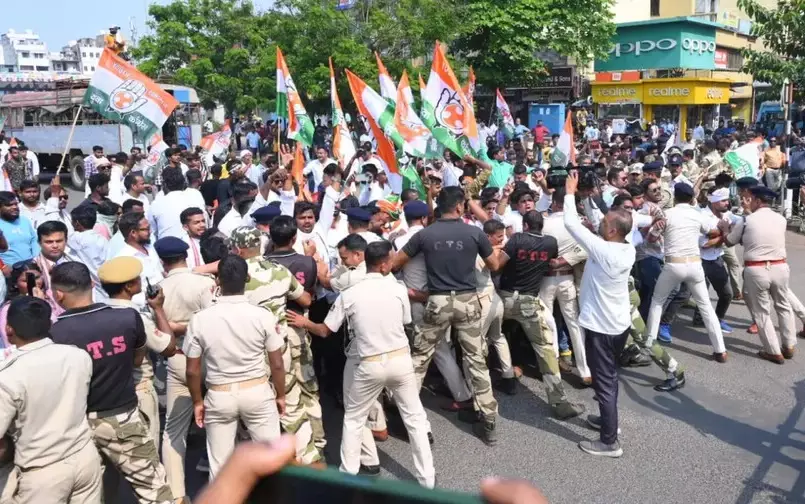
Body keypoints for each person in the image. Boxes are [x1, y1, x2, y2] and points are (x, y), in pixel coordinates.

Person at [288, 241, 436, 487]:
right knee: (415, 419)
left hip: (369, 363)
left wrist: (305, 324)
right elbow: (406, 320)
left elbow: (325, 331)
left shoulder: (350, 294)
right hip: (400, 359)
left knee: (354, 419)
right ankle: (427, 479)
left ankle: (349, 473)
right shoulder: (398, 289)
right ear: (385, 265)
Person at [49, 262, 174, 503]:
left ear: (58, 294)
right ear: (92, 284)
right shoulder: (127, 318)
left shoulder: (56, 333)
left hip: (78, 423)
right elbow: (137, 359)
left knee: (89, 494)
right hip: (123, 417)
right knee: (154, 490)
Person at [392, 186, 500, 445]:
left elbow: (395, 263)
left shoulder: (425, 235)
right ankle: (488, 420)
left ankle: (405, 416)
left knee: (420, 359)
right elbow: (494, 265)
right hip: (468, 300)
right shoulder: (474, 233)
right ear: (460, 206)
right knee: (476, 359)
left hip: (437, 301)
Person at [185, 255, 286, 479]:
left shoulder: (200, 319)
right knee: (271, 463)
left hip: (219, 394)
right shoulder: (262, 315)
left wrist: (197, 401)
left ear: (218, 280)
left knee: (220, 469)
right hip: (257, 391)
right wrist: (280, 395)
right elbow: (277, 364)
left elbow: (192, 370)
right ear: (247, 278)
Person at [0, 297, 102, 504]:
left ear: (9, 330)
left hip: (42, 471)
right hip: (85, 458)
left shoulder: (8, 376)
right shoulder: (78, 356)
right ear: (49, 325)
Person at [563, 171, 634, 458]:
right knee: (610, 377)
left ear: (613, 231)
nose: (599, 224)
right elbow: (599, 220)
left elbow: (571, 223)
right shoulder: (627, 246)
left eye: (605, 224)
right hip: (618, 325)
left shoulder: (604, 250)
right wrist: (588, 198)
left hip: (602, 328)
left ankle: (609, 442)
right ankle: (608, 422)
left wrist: (570, 193)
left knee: (604, 383)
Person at [496, 210, 585, 420]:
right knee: (545, 349)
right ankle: (559, 403)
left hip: (504, 298)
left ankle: (501, 380)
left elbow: (498, 264)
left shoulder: (517, 239)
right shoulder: (550, 243)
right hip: (529, 303)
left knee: (493, 338)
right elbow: (549, 263)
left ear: (525, 225)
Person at [393, 201, 473, 410]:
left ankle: (405, 402)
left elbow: (394, 268)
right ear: (424, 218)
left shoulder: (401, 240)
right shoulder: (433, 237)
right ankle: (461, 394)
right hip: (440, 297)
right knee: (440, 348)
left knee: (426, 351)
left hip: (416, 301)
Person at [263, 217, 327, 462]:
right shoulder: (307, 262)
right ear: (294, 238)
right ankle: (317, 441)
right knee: (308, 388)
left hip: (273, 332)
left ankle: (289, 445)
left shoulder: (263, 264)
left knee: (280, 389)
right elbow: (309, 296)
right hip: (299, 327)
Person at [158, 236, 216, 500]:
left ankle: (177, 495)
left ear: (163, 261)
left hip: (178, 359)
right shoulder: (204, 283)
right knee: (222, 423)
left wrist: (176, 327)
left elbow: (159, 332)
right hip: (210, 360)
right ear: (187, 257)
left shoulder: (158, 289)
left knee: (173, 431)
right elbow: (214, 321)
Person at [644, 183, 727, 362]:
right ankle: (720, 350)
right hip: (695, 264)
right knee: (706, 306)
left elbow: (650, 238)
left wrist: (657, 228)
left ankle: (650, 344)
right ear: (691, 198)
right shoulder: (697, 214)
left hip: (673, 264)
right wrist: (722, 230)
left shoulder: (667, 214)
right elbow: (712, 231)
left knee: (657, 302)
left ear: (675, 197)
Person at [99, 256, 177, 445]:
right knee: (148, 450)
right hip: (139, 390)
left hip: (109, 393)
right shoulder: (135, 317)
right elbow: (168, 348)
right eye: (137, 278)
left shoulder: (99, 313)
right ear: (128, 286)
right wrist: (158, 309)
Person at [722, 185, 796, 363]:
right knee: (783, 306)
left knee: (762, 311)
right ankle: (789, 345)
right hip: (780, 266)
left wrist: (725, 229)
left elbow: (730, 241)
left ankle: (773, 351)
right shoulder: (781, 219)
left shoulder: (746, 220)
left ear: (756, 200)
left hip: (756, 269)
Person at [540, 188, 591, 383]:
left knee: (547, 324)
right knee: (574, 324)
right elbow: (587, 248)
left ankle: (553, 369)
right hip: (568, 277)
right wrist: (566, 259)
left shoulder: (544, 223)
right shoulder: (577, 224)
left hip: (546, 279)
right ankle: (585, 370)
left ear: (554, 203)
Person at [692, 187, 737, 334]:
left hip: (717, 259)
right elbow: (704, 244)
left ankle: (718, 319)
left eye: (727, 200)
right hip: (700, 260)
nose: (727, 203)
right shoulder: (701, 216)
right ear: (713, 201)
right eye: (723, 200)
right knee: (697, 295)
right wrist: (724, 234)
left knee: (727, 294)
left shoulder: (727, 214)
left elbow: (741, 224)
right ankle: (664, 322)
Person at [114, 212, 164, 307]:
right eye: (146, 229)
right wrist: (147, 299)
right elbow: (123, 293)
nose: (150, 232)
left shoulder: (150, 248)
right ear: (133, 233)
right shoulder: (123, 259)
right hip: (145, 307)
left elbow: (161, 272)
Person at [67, 206, 108, 302]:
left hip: (92, 285)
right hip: (103, 283)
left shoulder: (77, 238)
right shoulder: (103, 239)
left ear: (77, 223)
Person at [0, 191, 38, 265]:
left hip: (31, 265)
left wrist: (36, 258)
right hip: (8, 268)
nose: (15, 207)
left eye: (16, 204)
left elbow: (34, 240)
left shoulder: (24, 220)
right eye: (9, 205)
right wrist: (2, 267)